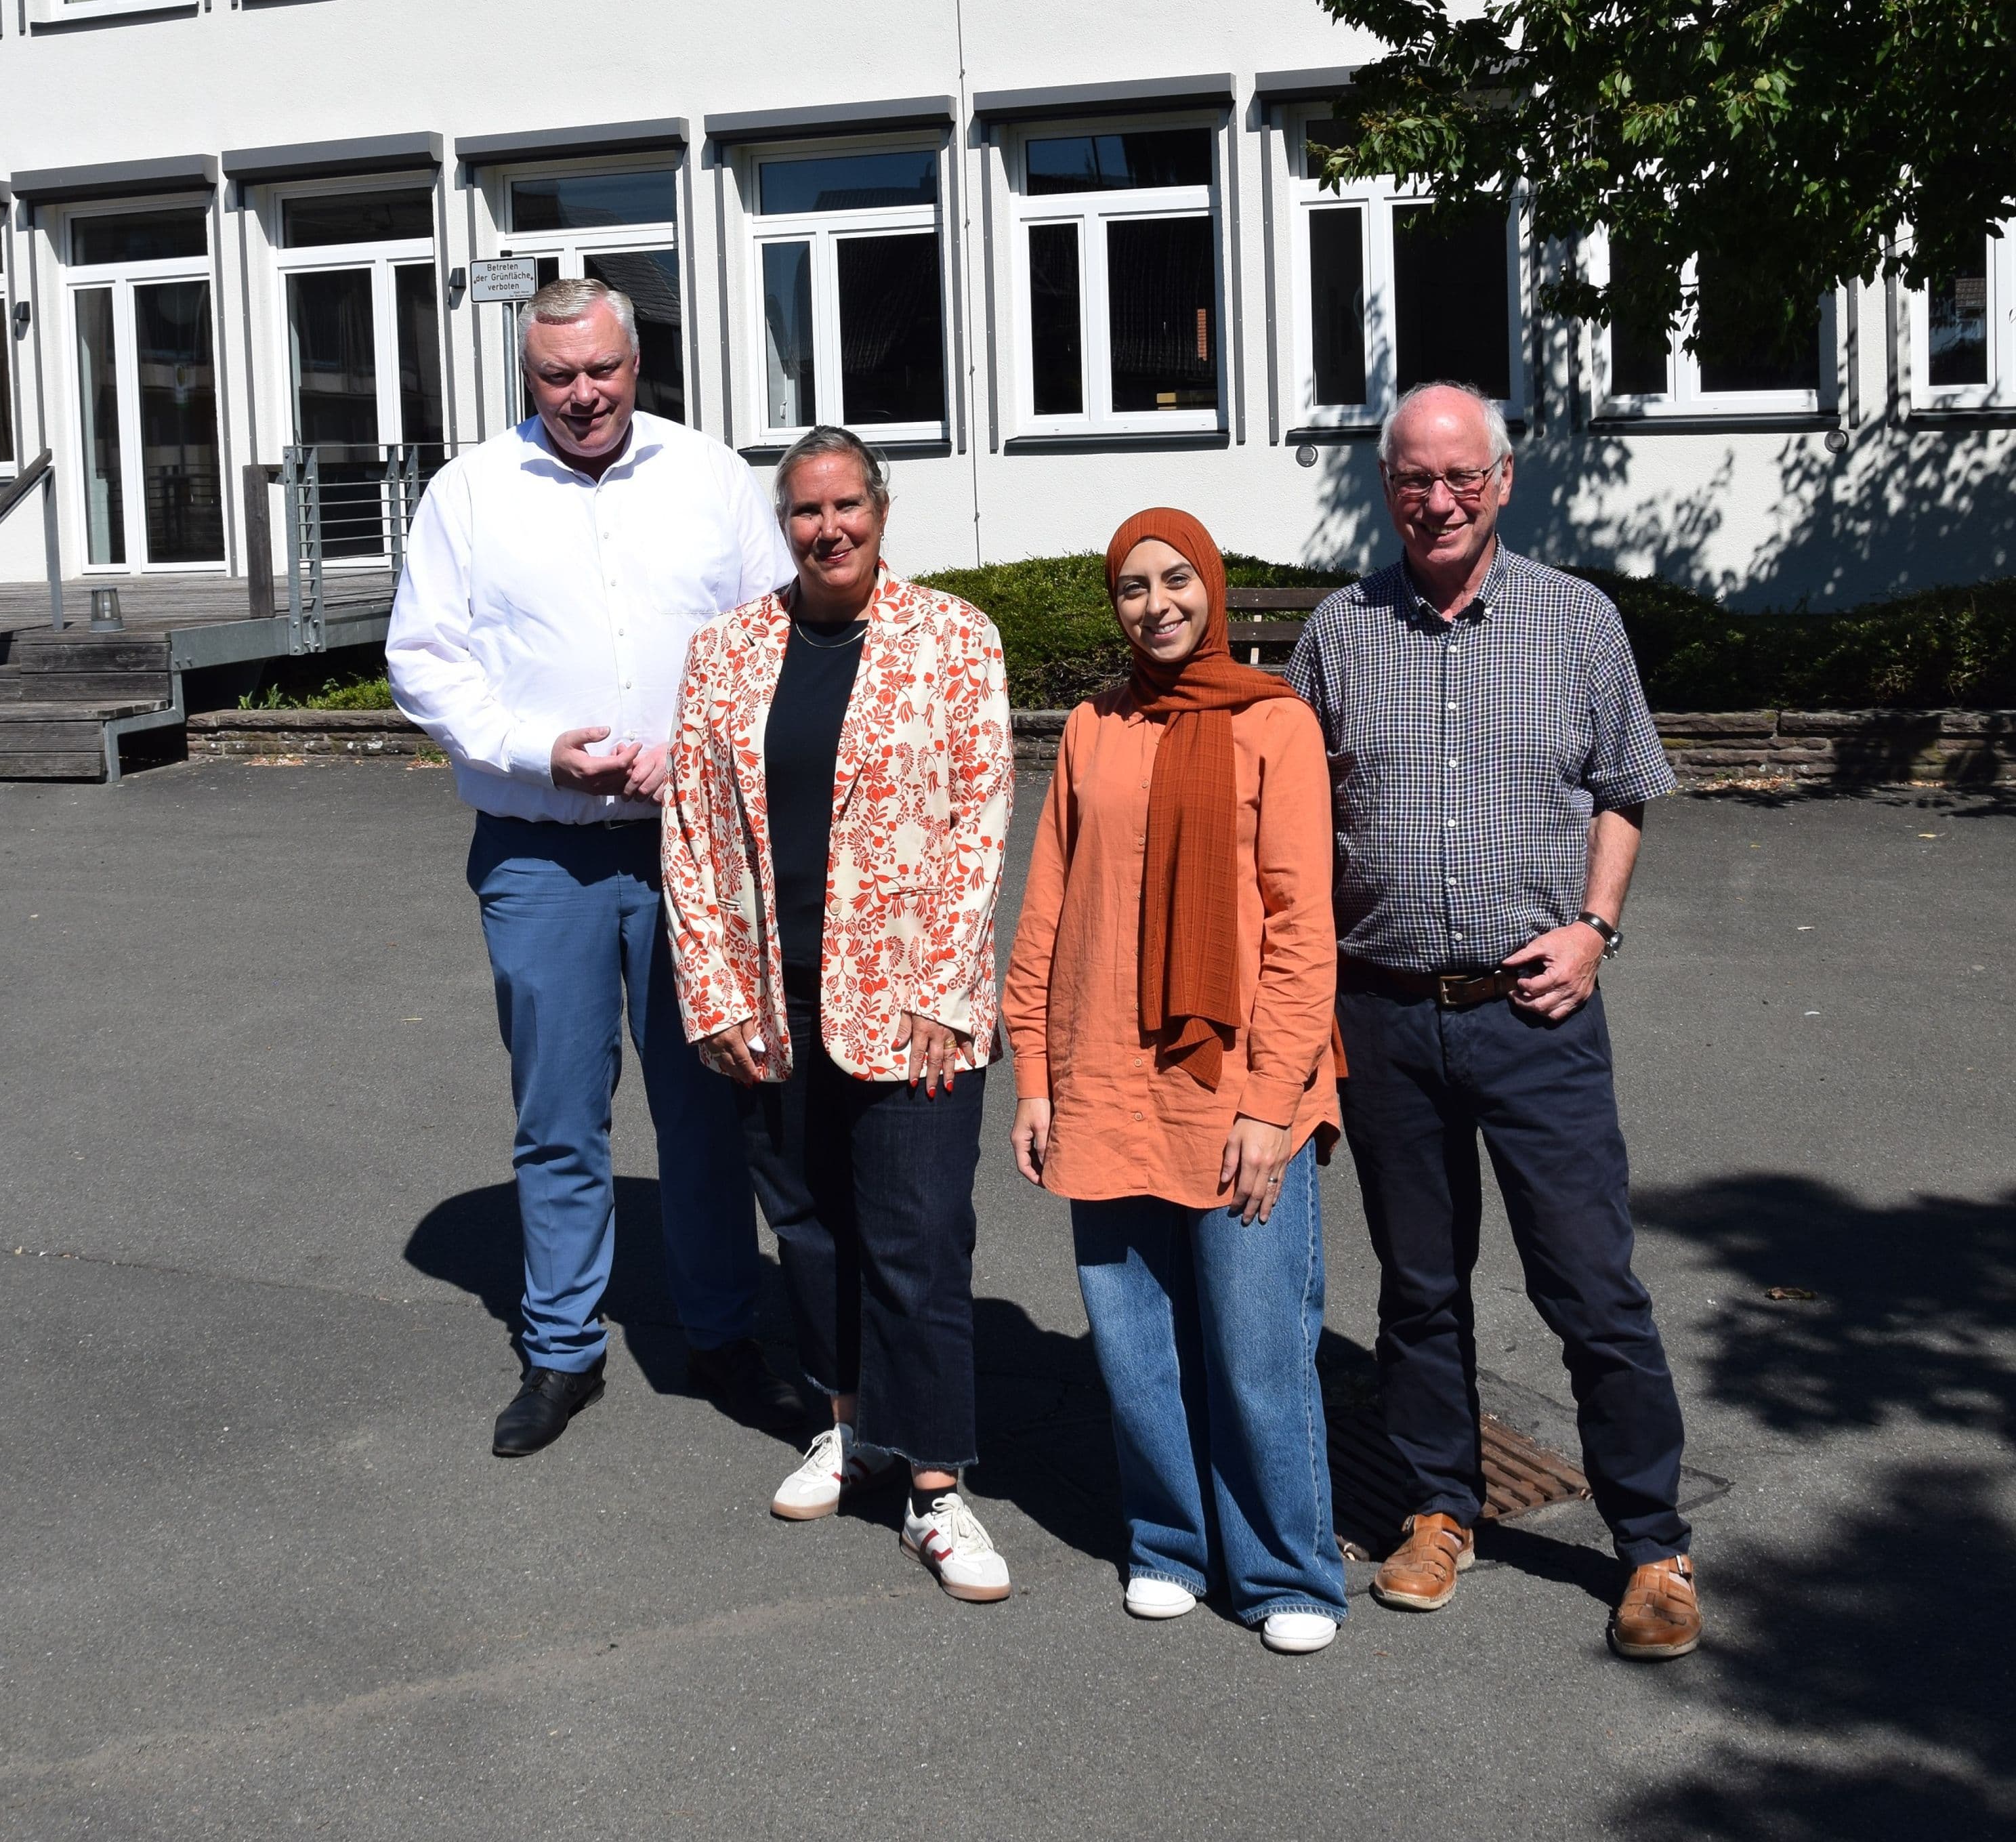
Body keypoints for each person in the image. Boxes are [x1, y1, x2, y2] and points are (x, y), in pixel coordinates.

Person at [1284, 379, 1699, 1660]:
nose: (1440, 499)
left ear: (1505, 481)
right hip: (1390, 1017)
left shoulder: (1578, 621)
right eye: (1415, 477)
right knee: (1418, 1291)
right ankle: (1437, 1509)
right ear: (1385, 485)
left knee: (1592, 1286)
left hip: (1537, 1012)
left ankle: (1652, 1547)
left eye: (1463, 476)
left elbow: (1626, 786)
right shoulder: (1337, 636)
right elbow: (1291, 828)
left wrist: (1597, 928)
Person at [386, 276, 802, 1459]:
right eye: (557, 378)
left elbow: (772, 635)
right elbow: (425, 659)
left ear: (637, 362)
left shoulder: (710, 478)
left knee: (709, 1110)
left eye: (602, 372)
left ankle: (724, 1336)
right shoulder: (471, 493)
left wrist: (702, 738)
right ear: (530, 379)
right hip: (539, 853)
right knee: (558, 1118)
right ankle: (563, 1350)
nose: (583, 396)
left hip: (692, 850)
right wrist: (535, 753)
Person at [663, 425, 1017, 1604]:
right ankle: (851, 1428)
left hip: (914, 1006)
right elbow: (693, 839)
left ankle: (935, 1487)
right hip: (776, 1001)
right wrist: (713, 993)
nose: (829, 529)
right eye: (806, 511)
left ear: (881, 508)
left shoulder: (953, 640)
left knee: (916, 1236)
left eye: (847, 507)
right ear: (785, 523)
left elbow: (980, 825)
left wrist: (941, 990)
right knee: (808, 1227)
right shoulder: (726, 653)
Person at [1002, 508, 1349, 1654]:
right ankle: (1168, 1543)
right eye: (1133, 587)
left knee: (1257, 1347)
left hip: (1239, 1085)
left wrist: (1267, 1098)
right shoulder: (1097, 727)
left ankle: (1287, 1572)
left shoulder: (1275, 724)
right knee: (1135, 1342)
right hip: (1103, 1073)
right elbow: (1047, 904)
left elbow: (1304, 927)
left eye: (1176, 580)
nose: (1157, 605)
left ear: (1211, 585)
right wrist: (1037, 1078)